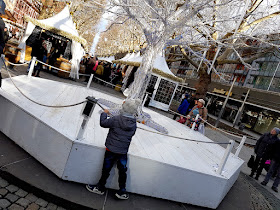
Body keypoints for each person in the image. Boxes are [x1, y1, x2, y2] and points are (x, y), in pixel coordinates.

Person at [86, 99, 141, 200]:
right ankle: (122, 191)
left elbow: (103, 123)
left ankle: (100, 187)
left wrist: (104, 113)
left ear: (123, 108)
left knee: (106, 169)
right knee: (122, 170)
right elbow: (131, 134)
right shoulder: (134, 123)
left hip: (110, 149)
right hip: (123, 151)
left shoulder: (116, 119)